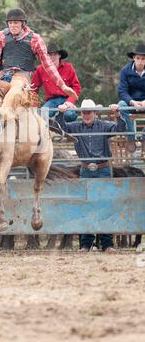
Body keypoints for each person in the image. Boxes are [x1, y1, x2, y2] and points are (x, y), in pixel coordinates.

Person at [0, 8, 78, 136]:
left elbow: (47, 65)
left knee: (15, 92)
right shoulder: (0, 36)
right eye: (10, 23)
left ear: (23, 23)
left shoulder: (35, 39)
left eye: (16, 22)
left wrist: (63, 85)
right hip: (3, 74)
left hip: (22, 76)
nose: (13, 25)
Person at [56, 99, 127, 253]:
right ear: (81, 114)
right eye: (84, 112)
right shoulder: (76, 127)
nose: (86, 115)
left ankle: (106, 244)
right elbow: (60, 127)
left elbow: (120, 129)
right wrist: (60, 114)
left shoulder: (104, 125)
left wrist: (118, 114)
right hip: (86, 169)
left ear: (95, 113)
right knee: (85, 204)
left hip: (102, 168)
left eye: (89, 112)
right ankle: (85, 244)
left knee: (105, 203)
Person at [31, 42, 81, 122]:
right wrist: (34, 105)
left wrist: (69, 102)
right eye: (50, 55)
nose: (52, 57)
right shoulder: (40, 69)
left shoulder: (68, 67)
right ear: (46, 57)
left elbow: (76, 87)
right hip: (51, 101)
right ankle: (47, 133)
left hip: (66, 99)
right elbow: (34, 88)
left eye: (55, 54)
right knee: (42, 115)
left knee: (69, 115)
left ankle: (70, 131)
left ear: (59, 55)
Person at [117, 41, 145, 153]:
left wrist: (144, 102)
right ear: (134, 58)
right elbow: (122, 91)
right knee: (121, 105)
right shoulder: (125, 71)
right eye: (138, 58)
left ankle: (144, 137)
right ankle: (131, 137)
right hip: (131, 103)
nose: (140, 61)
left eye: (143, 59)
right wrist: (132, 102)